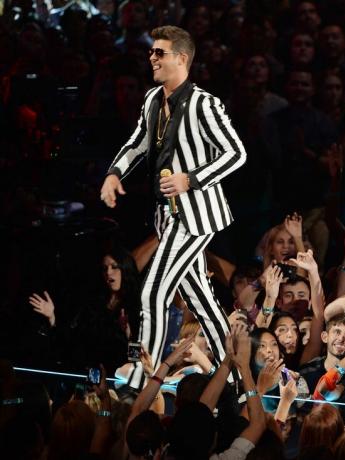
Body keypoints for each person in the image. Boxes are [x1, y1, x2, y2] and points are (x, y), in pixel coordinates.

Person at [99, 25, 246, 389]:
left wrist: (190, 178)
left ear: (181, 58)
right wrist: (114, 173)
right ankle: (239, 378)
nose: (152, 57)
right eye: (152, 51)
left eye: (159, 52)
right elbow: (138, 142)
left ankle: (140, 370)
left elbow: (236, 154)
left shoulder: (204, 103)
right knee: (202, 300)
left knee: (153, 289)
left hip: (197, 214)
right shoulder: (152, 99)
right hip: (167, 214)